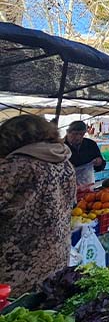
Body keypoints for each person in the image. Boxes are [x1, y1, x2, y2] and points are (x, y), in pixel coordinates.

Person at [0, 115, 76, 293]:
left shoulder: (16, 167)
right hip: (55, 262)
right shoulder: (64, 163)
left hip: (16, 269)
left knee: (14, 318)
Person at [65, 120, 105, 186]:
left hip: (87, 185)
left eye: (81, 134)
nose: (78, 137)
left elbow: (101, 166)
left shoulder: (91, 144)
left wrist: (99, 162)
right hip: (67, 185)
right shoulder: (60, 147)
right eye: (74, 134)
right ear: (68, 133)